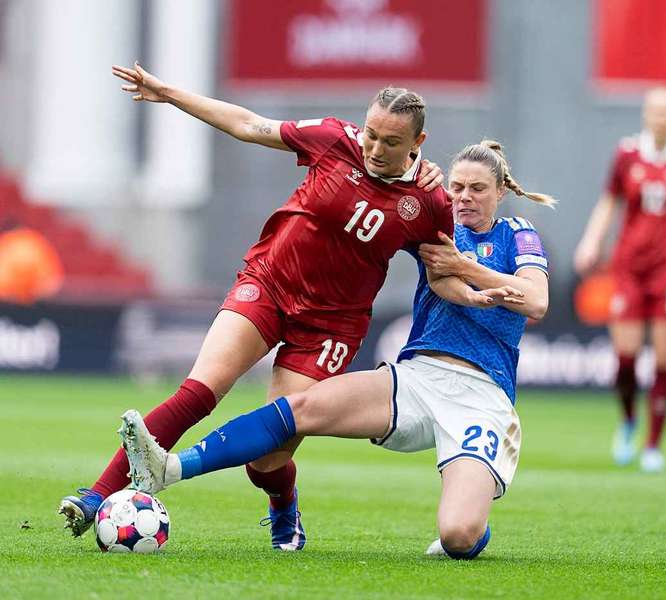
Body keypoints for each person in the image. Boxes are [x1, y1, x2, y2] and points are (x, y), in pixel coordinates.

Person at [59, 62, 450, 551]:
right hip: (269, 283)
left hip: (331, 326)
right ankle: (97, 495)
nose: (374, 149)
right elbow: (249, 125)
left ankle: (283, 502)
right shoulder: (333, 138)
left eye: (391, 142)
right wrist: (171, 93)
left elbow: (445, 268)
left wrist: (492, 287)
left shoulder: (431, 202)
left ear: (419, 142)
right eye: (371, 134)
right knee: (199, 392)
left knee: (264, 459)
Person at [119, 140, 554, 559]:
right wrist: (418, 173)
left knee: (458, 535)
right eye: (457, 187)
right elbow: (413, 235)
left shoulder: (517, 233)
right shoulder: (439, 228)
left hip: (482, 396)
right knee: (300, 408)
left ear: (500, 191)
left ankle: (472, 522)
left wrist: (467, 268)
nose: (464, 197)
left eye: (477, 188)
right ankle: (171, 468)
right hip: (418, 377)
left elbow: (535, 300)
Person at [573, 87, 666, 472]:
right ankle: (629, 419)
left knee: (664, 358)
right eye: (655, 112)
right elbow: (609, 201)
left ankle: (653, 443)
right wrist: (591, 240)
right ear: (646, 116)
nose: (661, 120)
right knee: (625, 360)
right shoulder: (627, 153)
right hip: (630, 267)